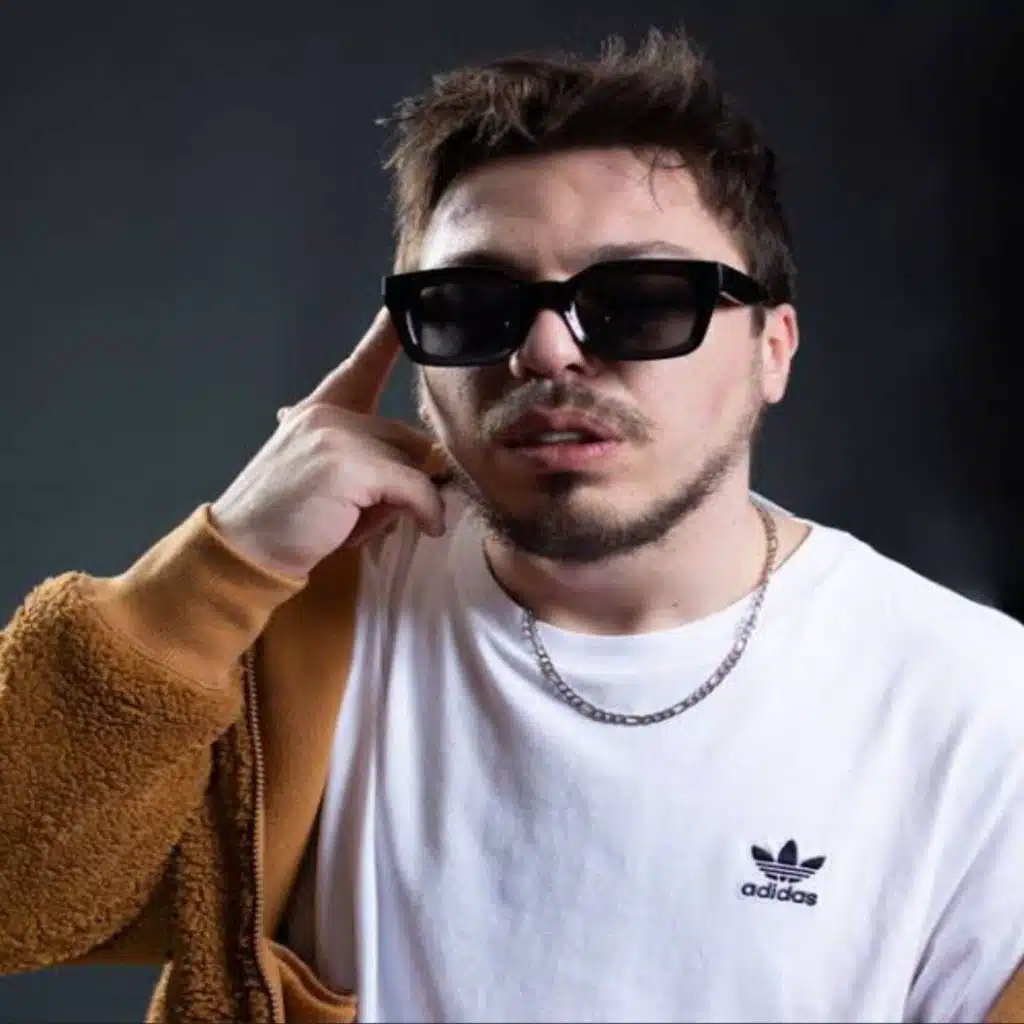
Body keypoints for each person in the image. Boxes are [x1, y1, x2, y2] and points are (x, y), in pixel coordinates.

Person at [1, 27, 1023, 1024]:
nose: (544, 351)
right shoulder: (293, 616)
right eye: (470, 304)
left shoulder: (974, 704)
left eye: (639, 300)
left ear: (773, 349)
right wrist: (225, 563)